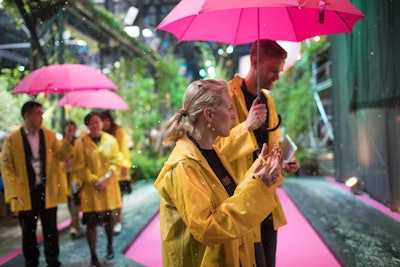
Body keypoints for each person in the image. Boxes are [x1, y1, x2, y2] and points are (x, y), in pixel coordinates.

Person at [154, 79, 284, 267]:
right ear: (209, 114)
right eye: (229, 109)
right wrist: (257, 187)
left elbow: (226, 199)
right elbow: (208, 229)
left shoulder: (211, 151)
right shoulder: (183, 166)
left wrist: (256, 176)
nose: (233, 116)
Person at [218, 40, 301, 267]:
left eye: (279, 71)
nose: (277, 77)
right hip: (241, 201)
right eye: (273, 70)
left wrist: (284, 161)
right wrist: (246, 126)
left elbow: (270, 148)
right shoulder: (225, 96)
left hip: (267, 202)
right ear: (255, 61)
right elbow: (217, 151)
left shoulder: (269, 101)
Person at [0, 101, 74, 267]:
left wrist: (68, 140)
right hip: (25, 193)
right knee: (28, 230)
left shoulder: (49, 136)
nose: (41, 116)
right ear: (27, 115)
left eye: (41, 113)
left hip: (46, 190)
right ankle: (31, 261)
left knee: (50, 229)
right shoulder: (13, 140)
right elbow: (6, 166)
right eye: (38, 113)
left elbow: (62, 156)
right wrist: (13, 192)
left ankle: (53, 261)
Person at [72, 111, 122, 267]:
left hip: (108, 187)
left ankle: (110, 246)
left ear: (102, 123)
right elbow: (79, 167)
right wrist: (95, 180)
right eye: (91, 122)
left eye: (97, 121)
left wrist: (106, 178)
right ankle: (93, 255)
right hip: (91, 190)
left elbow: (116, 161)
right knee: (92, 223)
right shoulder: (80, 143)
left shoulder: (111, 140)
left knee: (109, 220)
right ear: (87, 125)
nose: (94, 125)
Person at [100, 110, 132, 235]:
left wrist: (124, 165)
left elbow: (122, 150)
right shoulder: (100, 136)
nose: (105, 122)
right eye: (103, 120)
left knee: (119, 198)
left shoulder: (118, 131)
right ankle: (111, 221)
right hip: (107, 172)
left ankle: (117, 220)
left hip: (119, 170)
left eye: (107, 119)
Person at [59, 120, 82, 238]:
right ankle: (75, 222)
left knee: (75, 202)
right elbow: (59, 157)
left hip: (75, 179)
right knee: (70, 202)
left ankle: (74, 225)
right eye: (68, 129)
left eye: (72, 129)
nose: (70, 132)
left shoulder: (78, 143)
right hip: (65, 178)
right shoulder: (61, 143)